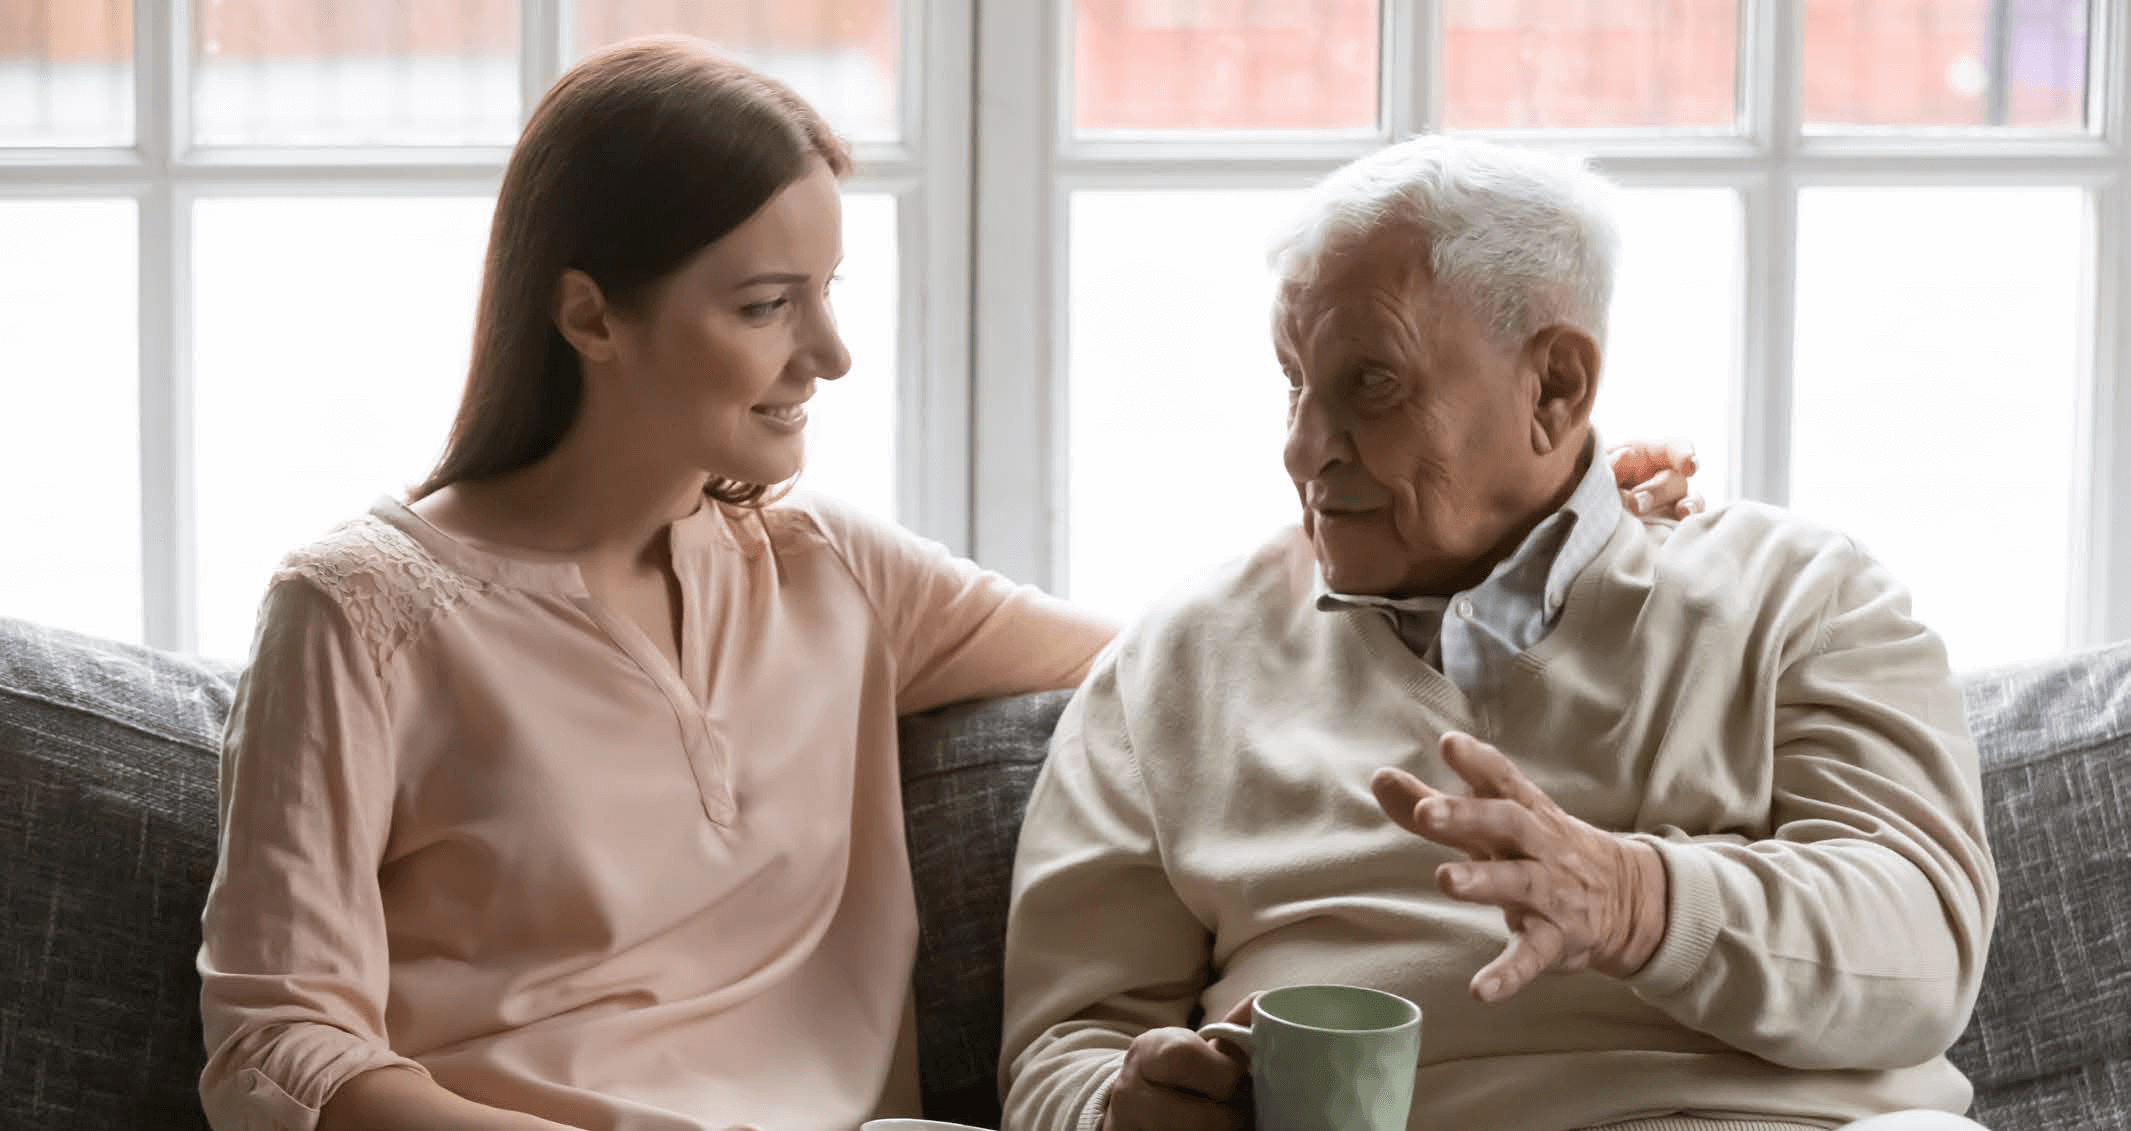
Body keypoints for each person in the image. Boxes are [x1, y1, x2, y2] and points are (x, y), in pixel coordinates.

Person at [196, 38, 1701, 1131]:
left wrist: (1526, 500)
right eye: (765, 305)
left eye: (828, 295)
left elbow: (1194, 654)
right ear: (589, 312)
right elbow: (279, 1045)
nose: (829, 356)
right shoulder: (357, 610)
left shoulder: (834, 570)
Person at [999, 134, 1997, 1131]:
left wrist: (1636, 900)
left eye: (1370, 384)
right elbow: (1062, 1048)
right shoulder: (1178, 662)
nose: (1301, 448)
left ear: (1555, 387)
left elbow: (1923, 952)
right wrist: (1114, 1110)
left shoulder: (1804, 596)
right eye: (1292, 380)